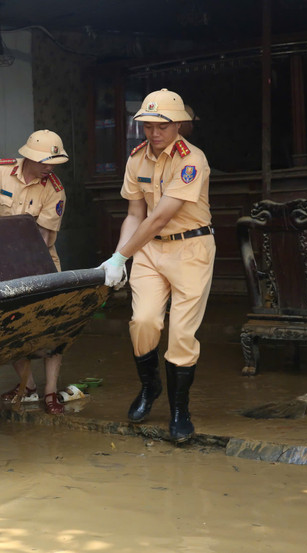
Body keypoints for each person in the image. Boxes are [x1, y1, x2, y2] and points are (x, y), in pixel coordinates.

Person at [98, 88, 214, 443]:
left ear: (178, 124)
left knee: (181, 333)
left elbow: (160, 216)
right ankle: (150, 387)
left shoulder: (192, 160)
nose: (154, 132)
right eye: (148, 125)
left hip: (191, 249)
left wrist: (122, 256)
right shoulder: (136, 159)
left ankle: (180, 411)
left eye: (162, 125)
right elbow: (135, 214)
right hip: (150, 250)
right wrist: (119, 256)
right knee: (143, 321)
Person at [0, 130, 70, 415]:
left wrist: (15, 258)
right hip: (4, 262)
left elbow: (43, 238)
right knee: (10, 327)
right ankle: (27, 386)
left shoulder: (55, 190)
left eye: (55, 162)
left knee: (51, 329)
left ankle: (50, 392)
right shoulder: (1, 171)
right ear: (29, 156)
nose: (50, 167)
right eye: (45, 161)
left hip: (41, 262)